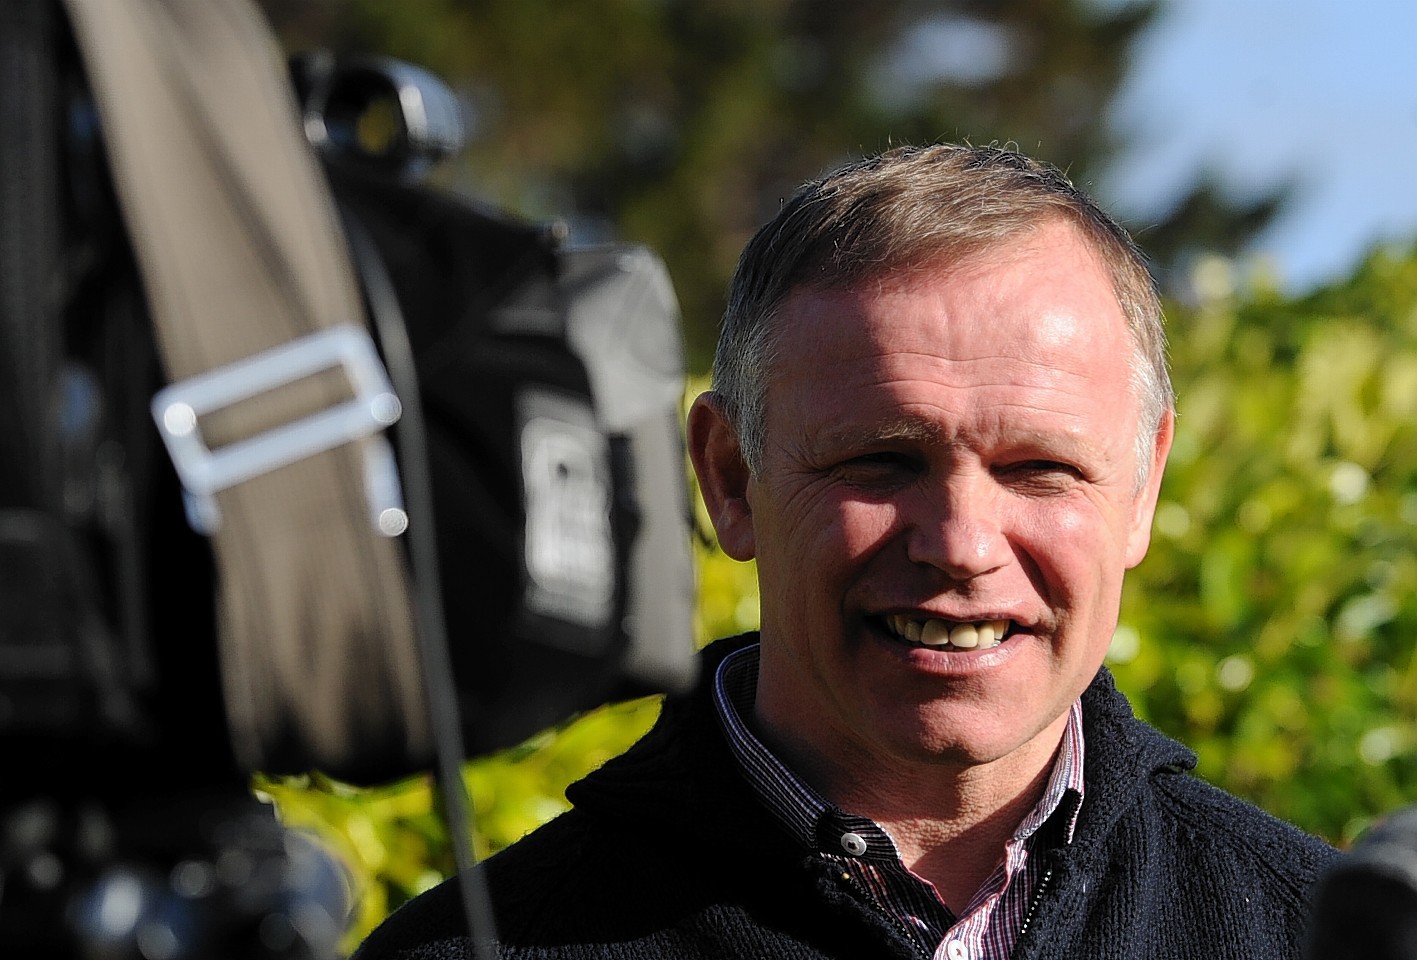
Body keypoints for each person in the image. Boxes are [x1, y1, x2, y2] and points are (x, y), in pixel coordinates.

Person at [354, 142, 1338, 960]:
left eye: (1038, 467)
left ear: (1142, 488)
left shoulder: (1324, 934)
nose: (959, 544)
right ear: (730, 479)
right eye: (879, 460)